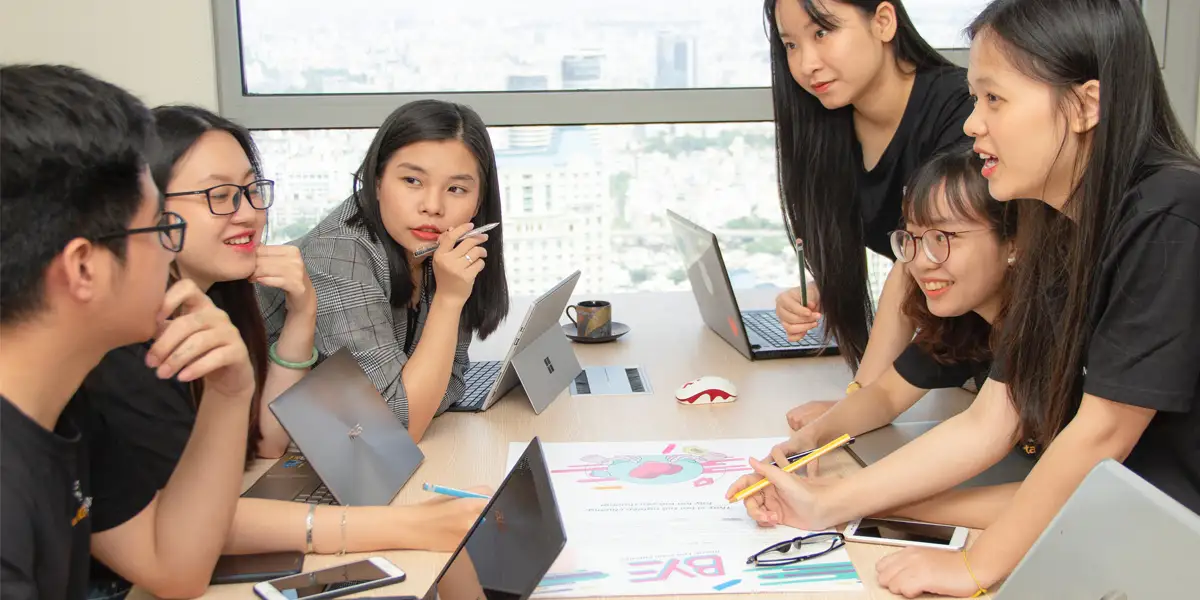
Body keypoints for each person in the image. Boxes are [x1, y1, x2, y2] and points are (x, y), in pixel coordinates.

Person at [727, 0, 1200, 597]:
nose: (973, 124)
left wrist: (976, 568)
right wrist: (828, 503)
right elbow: (990, 419)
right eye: (975, 99)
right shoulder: (1057, 226)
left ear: (1085, 105)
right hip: (1123, 524)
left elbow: (1102, 433)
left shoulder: (1169, 216)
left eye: (994, 99)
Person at [78, 106, 492, 599]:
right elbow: (180, 530)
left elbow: (267, 442)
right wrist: (402, 526)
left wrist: (301, 316)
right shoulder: (120, 344)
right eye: (219, 196)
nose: (248, 213)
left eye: (252, 190)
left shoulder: (219, 295)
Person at [0, 64, 192, 599]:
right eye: (159, 228)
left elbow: (170, 565)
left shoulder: (63, 404)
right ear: (84, 267)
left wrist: (231, 391)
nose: (170, 252)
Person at [765, 0, 975, 427]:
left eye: (822, 32)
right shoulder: (828, 124)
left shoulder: (961, 111)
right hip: (945, 366)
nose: (806, 64)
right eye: (790, 45)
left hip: (995, 354)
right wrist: (826, 286)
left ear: (882, 22)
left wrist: (860, 400)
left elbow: (915, 262)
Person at [259, 99, 510, 441]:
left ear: (479, 201)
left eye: (456, 189)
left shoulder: (439, 250)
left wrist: (416, 393)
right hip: (254, 447)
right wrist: (449, 300)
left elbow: (450, 382)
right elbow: (393, 428)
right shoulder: (339, 255)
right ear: (376, 181)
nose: (433, 206)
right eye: (412, 180)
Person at [769, 147, 1017, 466]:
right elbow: (885, 396)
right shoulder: (965, 322)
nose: (921, 262)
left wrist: (844, 492)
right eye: (913, 239)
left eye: (944, 237)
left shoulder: (1042, 330)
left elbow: (985, 437)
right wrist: (811, 438)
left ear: (1014, 242)